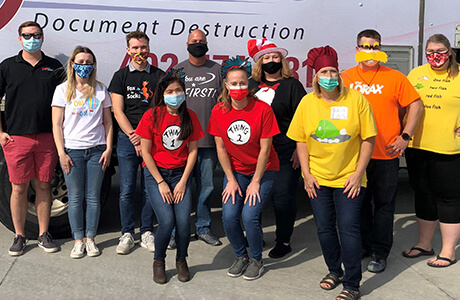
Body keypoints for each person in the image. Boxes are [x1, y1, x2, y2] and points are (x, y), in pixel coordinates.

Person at [287, 46, 376, 300]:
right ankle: (334, 270)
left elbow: (368, 139)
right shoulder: (307, 102)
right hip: (317, 178)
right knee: (325, 228)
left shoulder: (356, 99)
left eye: (333, 71)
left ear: (339, 74)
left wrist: (358, 174)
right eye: (324, 72)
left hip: (349, 177)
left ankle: (352, 284)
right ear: (315, 77)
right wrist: (307, 174)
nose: (329, 76)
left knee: (348, 227)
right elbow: (301, 141)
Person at [341, 29, 423, 273]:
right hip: (355, 156)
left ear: (381, 49)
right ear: (357, 50)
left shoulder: (395, 77)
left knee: (384, 206)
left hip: (386, 153)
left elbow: (416, 105)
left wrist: (405, 137)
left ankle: (379, 251)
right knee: (360, 204)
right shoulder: (345, 78)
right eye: (365, 47)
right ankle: (364, 245)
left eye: (374, 47)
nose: (369, 52)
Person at [207, 57, 279, 281]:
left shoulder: (263, 110)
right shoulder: (219, 111)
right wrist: (230, 179)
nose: (239, 88)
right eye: (234, 84)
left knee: (249, 216)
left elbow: (266, 150)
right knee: (228, 216)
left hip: (263, 170)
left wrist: (256, 181)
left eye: (242, 83)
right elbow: (220, 148)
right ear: (226, 86)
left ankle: (257, 259)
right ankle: (241, 256)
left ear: (248, 83)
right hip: (236, 172)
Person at [0, 21, 63, 256]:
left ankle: (44, 234)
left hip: (47, 137)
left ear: (42, 38)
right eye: (27, 35)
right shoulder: (7, 66)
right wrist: (0, 133)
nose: (32, 39)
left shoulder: (54, 67)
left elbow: (63, 103)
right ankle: (19, 235)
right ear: (19, 39)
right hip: (17, 138)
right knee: (18, 189)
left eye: (36, 35)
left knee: (44, 186)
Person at [136, 68, 204, 283]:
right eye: (171, 91)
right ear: (162, 94)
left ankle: (182, 259)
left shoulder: (190, 116)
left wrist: (183, 182)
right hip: (157, 175)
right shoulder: (152, 116)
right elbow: (145, 152)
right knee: (166, 221)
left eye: (179, 90)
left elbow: (193, 151)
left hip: (180, 175)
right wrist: (160, 183)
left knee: (183, 222)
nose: (175, 94)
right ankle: (159, 260)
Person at [402, 34, 460, 268]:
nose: (435, 56)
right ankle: (424, 244)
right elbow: (404, 103)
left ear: (449, 52)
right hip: (417, 146)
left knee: (448, 199)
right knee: (423, 195)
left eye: (440, 51)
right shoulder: (416, 74)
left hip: (448, 149)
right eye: (430, 52)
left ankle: (448, 251)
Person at [247, 38, 306, 258]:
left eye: (275, 57)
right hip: (256, 152)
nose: (272, 61)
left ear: (282, 61)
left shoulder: (293, 85)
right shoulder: (251, 86)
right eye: (267, 58)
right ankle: (256, 235)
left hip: (284, 150)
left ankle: (284, 240)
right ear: (259, 62)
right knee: (255, 196)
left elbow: (302, 120)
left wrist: (298, 150)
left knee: (283, 197)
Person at [52, 46, 113, 258]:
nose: (84, 66)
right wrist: (61, 153)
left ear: (94, 65)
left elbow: (108, 123)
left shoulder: (101, 90)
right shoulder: (62, 90)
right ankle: (78, 240)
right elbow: (56, 125)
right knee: (76, 198)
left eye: (89, 63)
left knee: (93, 197)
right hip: (73, 152)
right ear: (72, 64)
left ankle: (91, 239)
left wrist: (108, 148)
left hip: (96, 151)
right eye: (81, 62)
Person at [109, 30, 165, 255]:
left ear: (149, 49)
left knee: (150, 188)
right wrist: (134, 136)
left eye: (143, 47)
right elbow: (118, 111)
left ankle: (147, 232)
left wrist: (146, 138)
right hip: (127, 139)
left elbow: (162, 110)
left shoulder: (160, 76)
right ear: (128, 50)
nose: (140, 52)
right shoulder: (120, 76)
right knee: (127, 189)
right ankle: (127, 233)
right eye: (135, 48)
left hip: (152, 140)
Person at [175, 29, 222, 247]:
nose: (198, 44)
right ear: (187, 44)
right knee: (181, 187)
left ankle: (203, 227)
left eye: (201, 41)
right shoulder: (178, 70)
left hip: (209, 140)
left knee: (206, 187)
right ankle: (178, 229)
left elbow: (225, 103)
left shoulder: (217, 70)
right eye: (194, 41)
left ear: (207, 44)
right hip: (183, 141)